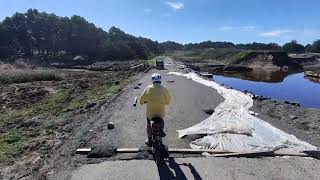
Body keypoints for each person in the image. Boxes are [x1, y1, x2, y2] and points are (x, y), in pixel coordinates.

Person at [140, 73, 171, 146]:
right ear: (160, 80)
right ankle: (160, 130)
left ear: (152, 80)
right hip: (160, 113)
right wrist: (165, 102)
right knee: (161, 120)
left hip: (150, 114)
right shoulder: (164, 89)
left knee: (148, 124)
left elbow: (141, 100)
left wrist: (143, 102)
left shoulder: (148, 88)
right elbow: (168, 101)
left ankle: (149, 140)